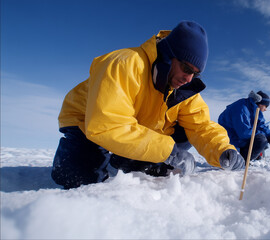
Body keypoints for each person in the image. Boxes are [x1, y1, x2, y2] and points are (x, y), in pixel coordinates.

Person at [51, 21, 245, 189]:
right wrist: (170, 152)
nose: (188, 78)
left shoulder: (184, 89)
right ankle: (84, 155)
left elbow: (201, 126)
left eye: (195, 73)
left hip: (137, 126)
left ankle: (127, 159)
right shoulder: (124, 64)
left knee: (185, 132)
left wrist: (222, 150)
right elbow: (107, 125)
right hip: (86, 121)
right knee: (80, 180)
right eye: (186, 68)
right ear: (169, 55)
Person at [218, 91, 270, 161]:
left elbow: (260, 124)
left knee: (263, 141)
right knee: (261, 140)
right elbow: (244, 132)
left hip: (240, 138)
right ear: (260, 103)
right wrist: (263, 136)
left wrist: (269, 135)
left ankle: (250, 157)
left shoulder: (254, 109)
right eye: (265, 106)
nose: (266, 109)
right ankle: (240, 160)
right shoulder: (241, 108)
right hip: (232, 140)